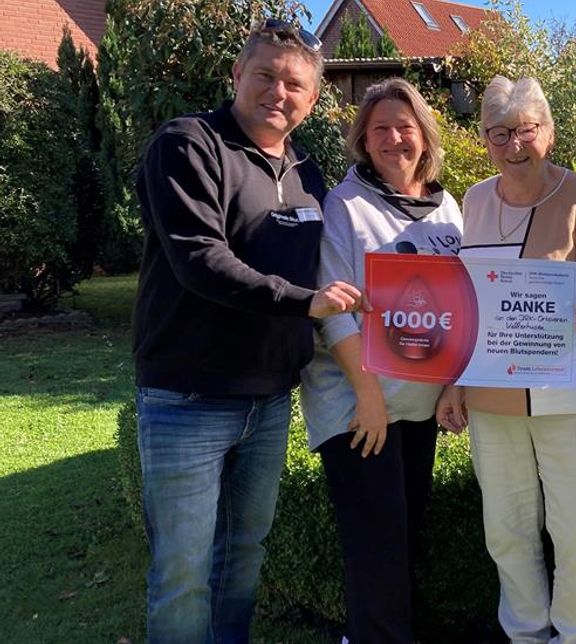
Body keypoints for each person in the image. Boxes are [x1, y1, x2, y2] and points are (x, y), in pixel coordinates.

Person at [133, 20, 367, 643]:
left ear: (312, 99)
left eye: (294, 84)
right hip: (188, 398)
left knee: (242, 562)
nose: (277, 92)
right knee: (182, 575)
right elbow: (200, 261)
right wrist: (306, 301)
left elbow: (330, 263)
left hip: (268, 401)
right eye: (264, 75)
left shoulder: (306, 173)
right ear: (237, 75)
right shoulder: (188, 145)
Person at [436, 76, 576, 644]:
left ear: (548, 132)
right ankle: (525, 634)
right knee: (506, 529)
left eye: (525, 130)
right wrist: (454, 383)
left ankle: (575, 637)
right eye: (499, 133)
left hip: (574, 397)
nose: (514, 145)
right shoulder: (472, 201)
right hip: (494, 400)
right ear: (485, 140)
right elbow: (466, 303)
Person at [300, 77, 462, 644]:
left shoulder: (448, 209)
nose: (394, 138)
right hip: (358, 405)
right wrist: (367, 397)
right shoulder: (345, 205)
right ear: (363, 143)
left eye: (405, 127)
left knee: (404, 536)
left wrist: (451, 386)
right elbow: (333, 306)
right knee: (377, 542)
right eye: (379, 130)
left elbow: (459, 307)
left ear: (425, 136)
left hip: (419, 404)